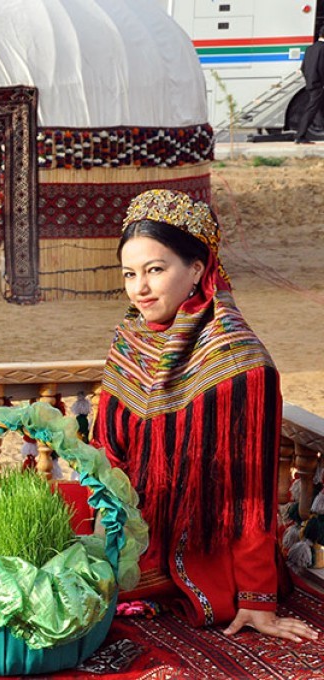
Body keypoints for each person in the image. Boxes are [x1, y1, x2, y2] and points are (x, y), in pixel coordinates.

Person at [93, 189, 318, 642]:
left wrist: (257, 599)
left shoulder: (239, 363)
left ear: (197, 269)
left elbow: (250, 495)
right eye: (130, 274)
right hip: (130, 540)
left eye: (156, 270)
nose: (140, 289)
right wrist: (103, 548)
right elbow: (107, 456)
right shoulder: (131, 342)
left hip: (204, 555)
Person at [295, 26, 324, 144]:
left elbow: (303, 68)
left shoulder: (309, 49)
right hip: (319, 85)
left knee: (316, 109)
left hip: (311, 84)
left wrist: (309, 80)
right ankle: (300, 136)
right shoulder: (323, 49)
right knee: (311, 110)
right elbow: (322, 67)